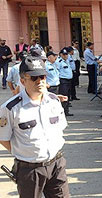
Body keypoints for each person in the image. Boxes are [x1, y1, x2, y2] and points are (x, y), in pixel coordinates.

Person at [0, 55, 70, 198]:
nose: (39, 81)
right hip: (30, 170)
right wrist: (25, 153)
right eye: (34, 78)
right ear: (22, 81)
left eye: (42, 77)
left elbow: (61, 128)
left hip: (56, 165)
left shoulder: (53, 101)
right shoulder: (10, 108)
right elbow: (3, 138)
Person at [56, 48, 73, 116]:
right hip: (63, 81)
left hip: (68, 80)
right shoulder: (59, 62)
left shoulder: (67, 61)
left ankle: (66, 111)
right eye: (64, 55)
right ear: (61, 55)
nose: (66, 56)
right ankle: (63, 111)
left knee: (68, 96)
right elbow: (57, 72)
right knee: (64, 96)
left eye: (66, 54)